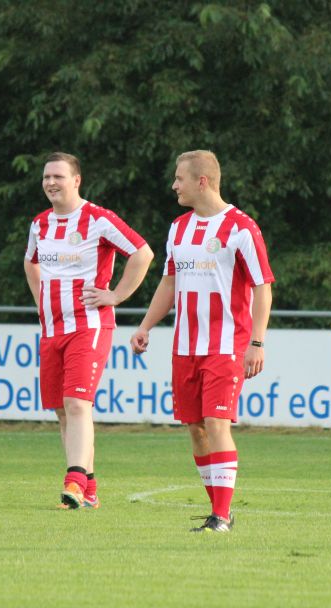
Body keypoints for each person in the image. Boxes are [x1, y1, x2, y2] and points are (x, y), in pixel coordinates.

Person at [131, 150, 274, 533]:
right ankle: (218, 511)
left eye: (179, 179)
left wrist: (257, 342)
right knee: (195, 428)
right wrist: (146, 325)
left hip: (226, 346)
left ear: (202, 181)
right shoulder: (178, 228)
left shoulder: (241, 227)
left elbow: (262, 287)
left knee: (216, 423)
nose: (174, 185)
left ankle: (221, 517)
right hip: (185, 347)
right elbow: (169, 283)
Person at [24, 152, 153, 509]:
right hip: (52, 329)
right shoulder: (40, 224)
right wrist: (41, 302)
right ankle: (89, 489)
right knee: (63, 411)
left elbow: (142, 253)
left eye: (58, 176)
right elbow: (30, 263)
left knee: (77, 402)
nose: (51, 182)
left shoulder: (98, 219)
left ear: (76, 180)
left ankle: (75, 481)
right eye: (47, 177)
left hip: (89, 325)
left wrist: (116, 295)